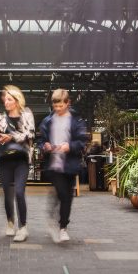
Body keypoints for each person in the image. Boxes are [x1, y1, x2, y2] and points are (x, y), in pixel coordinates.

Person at [37, 88, 89, 244]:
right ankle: (59, 223)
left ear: (68, 103)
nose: (58, 109)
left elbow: (81, 141)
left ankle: (62, 227)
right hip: (54, 165)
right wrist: (44, 146)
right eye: (55, 107)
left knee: (67, 197)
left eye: (61, 106)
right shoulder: (47, 121)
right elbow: (40, 141)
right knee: (63, 194)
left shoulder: (76, 121)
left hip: (70, 164)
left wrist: (70, 146)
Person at [0, 85, 36, 242]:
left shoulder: (26, 114)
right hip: (4, 160)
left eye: (9, 99)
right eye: (5, 99)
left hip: (21, 159)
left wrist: (11, 136)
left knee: (19, 193)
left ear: (17, 101)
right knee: (8, 195)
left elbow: (30, 133)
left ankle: (23, 227)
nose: (6, 102)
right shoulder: (0, 118)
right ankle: (10, 222)